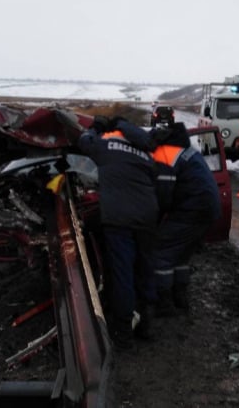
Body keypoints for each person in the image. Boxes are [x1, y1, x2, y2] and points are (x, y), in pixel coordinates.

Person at [78, 115, 159, 349]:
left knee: (122, 272)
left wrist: (94, 127)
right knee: (145, 269)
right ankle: (147, 326)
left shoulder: (106, 145)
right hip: (147, 217)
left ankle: (123, 334)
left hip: (119, 219)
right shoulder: (144, 153)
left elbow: (84, 142)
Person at [149, 122, 221, 316]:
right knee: (181, 254)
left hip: (191, 210)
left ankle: (164, 304)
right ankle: (180, 297)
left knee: (161, 252)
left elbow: (163, 195)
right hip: (209, 209)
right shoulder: (188, 151)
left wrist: (153, 221)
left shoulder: (166, 154)